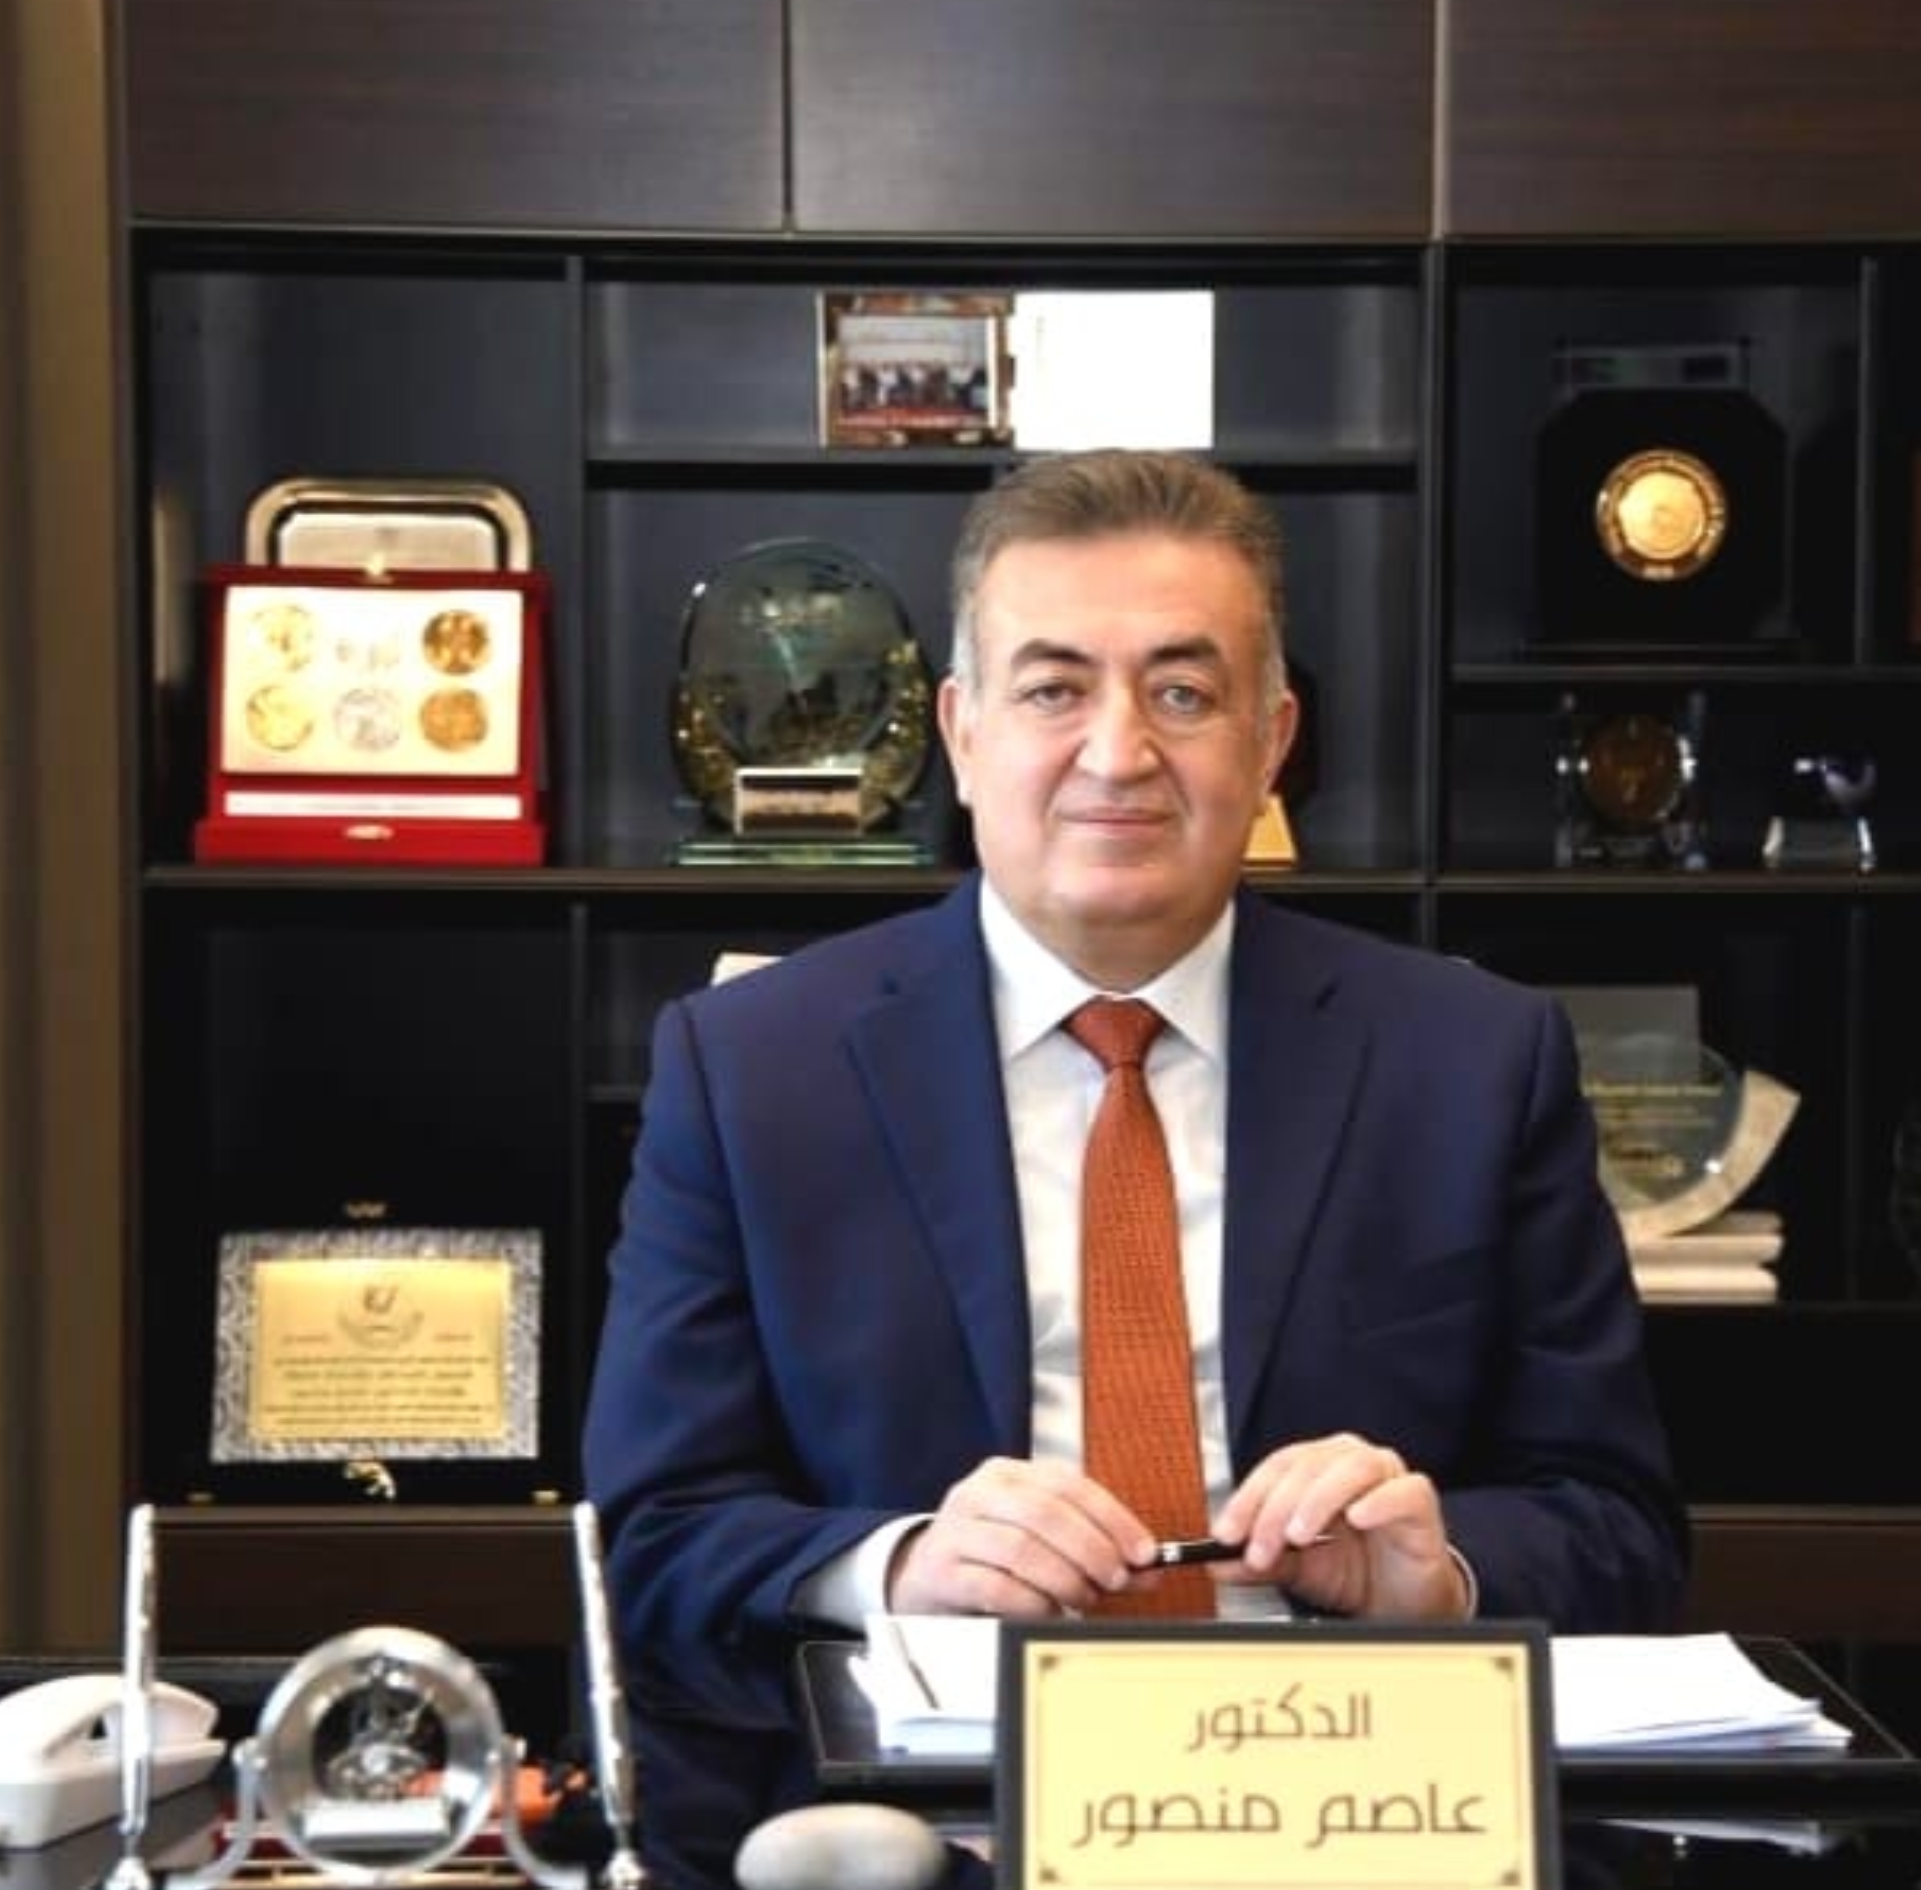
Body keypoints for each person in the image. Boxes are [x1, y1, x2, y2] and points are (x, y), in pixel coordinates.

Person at [584, 448, 1686, 1708]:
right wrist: (901, 1568)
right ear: (962, 733)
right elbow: (654, 1535)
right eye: (1054, 690)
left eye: (1182, 694)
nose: (1118, 753)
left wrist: (1432, 1582)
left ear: (1270, 743)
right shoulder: (749, 1070)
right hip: (930, 1786)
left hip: (1350, 1769)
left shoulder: (1472, 1062)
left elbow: (1620, 1528)